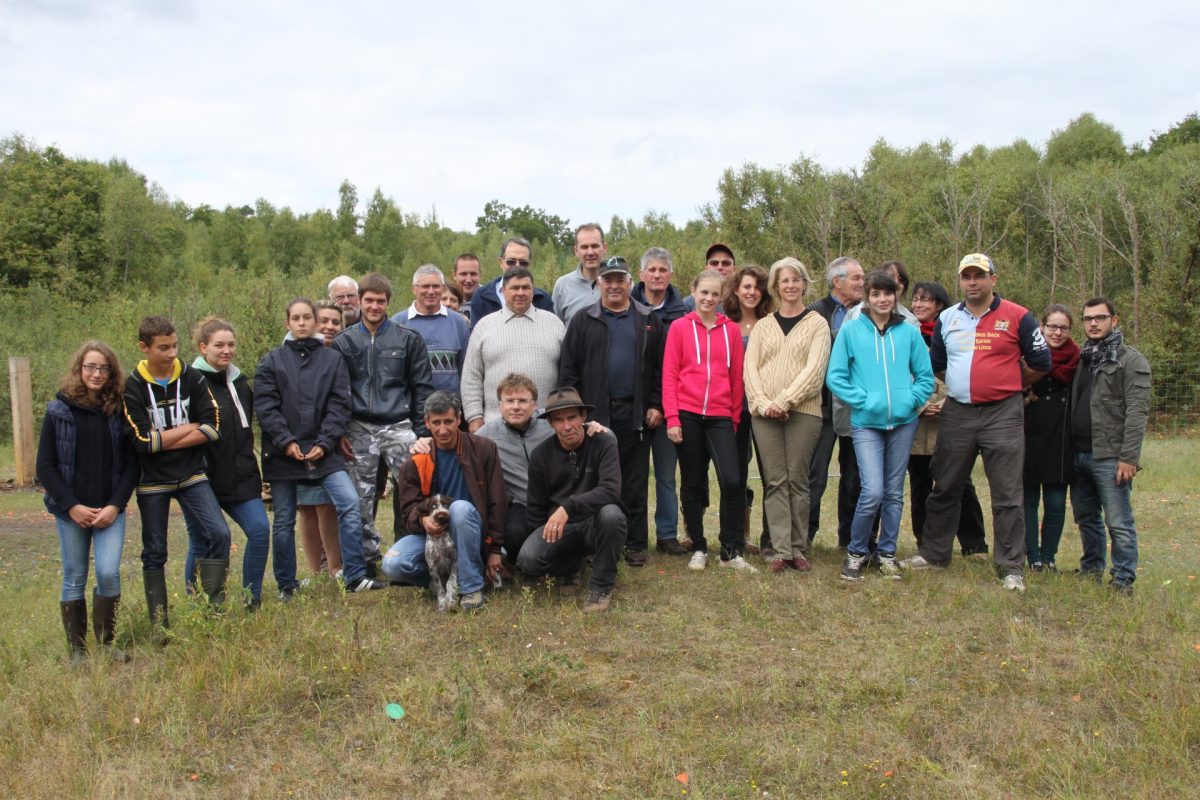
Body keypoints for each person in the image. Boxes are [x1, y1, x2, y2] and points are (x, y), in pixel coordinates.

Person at [900, 254, 1051, 592]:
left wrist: (1009, 383)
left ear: (992, 279)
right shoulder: (948, 318)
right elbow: (938, 364)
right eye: (966, 276)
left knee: (1007, 493)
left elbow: (1041, 361)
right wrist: (964, 384)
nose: (972, 282)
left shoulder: (1018, 315)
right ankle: (934, 554)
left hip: (1003, 413)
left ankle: (1011, 566)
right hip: (958, 411)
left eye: (979, 276)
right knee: (945, 484)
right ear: (960, 281)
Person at [254, 297, 387, 596]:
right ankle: (286, 584)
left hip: (324, 452)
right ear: (287, 322)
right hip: (283, 454)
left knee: (349, 503)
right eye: (296, 318)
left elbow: (339, 404)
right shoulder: (271, 361)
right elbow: (266, 408)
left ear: (314, 321)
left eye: (307, 318)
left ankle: (354, 576)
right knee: (284, 519)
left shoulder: (332, 360)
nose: (302, 323)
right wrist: (286, 441)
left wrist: (325, 442)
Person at [123, 316, 231, 633]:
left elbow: (213, 428)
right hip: (152, 481)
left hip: (192, 474)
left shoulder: (191, 377)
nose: (172, 353)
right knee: (155, 551)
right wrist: (188, 428)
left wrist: (164, 439)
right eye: (163, 348)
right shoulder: (132, 386)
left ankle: (210, 611)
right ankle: (160, 626)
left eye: (175, 346)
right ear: (144, 347)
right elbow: (142, 442)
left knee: (220, 534)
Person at [826, 271, 934, 580]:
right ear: (867, 297)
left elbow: (925, 376)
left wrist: (911, 400)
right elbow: (836, 376)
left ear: (895, 296)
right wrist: (863, 400)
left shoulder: (909, 332)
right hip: (866, 423)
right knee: (872, 490)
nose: (882, 299)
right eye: (876, 294)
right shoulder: (851, 330)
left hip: (903, 422)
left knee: (893, 492)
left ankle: (886, 553)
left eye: (888, 293)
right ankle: (856, 552)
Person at [558, 256, 665, 567]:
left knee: (634, 482)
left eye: (620, 279)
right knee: (594, 482)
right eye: (608, 280)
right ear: (598, 283)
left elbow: (660, 368)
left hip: (635, 414)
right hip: (595, 416)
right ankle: (595, 542)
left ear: (631, 283)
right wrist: (575, 415)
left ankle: (635, 543)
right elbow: (568, 371)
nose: (614, 285)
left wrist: (655, 404)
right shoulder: (583, 320)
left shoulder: (648, 319)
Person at [37, 341, 138, 665]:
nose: (96, 373)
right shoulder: (59, 410)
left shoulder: (120, 409)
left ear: (112, 372)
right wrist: (70, 506)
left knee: (108, 573)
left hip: (110, 510)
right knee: (74, 575)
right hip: (71, 512)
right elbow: (45, 466)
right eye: (90, 367)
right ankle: (78, 651)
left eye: (103, 368)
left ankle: (107, 645)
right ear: (79, 369)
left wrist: (115, 505)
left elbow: (132, 465)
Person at [331, 273, 435, 575]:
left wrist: (422, 433)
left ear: (388, 302)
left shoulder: (408, 339)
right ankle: (365, 560)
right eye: (369, 301)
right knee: (360, 497)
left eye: (380, 301)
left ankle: (412, 551)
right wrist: (339, 431)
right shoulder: (344, 341)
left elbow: (422, 388)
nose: (374, 306)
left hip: (398, 425)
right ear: (359, 301)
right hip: (358, 427)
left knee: (415, 490)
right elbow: (336, 391)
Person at [663, 270, 754, 572]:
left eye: (715, 294)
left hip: (720, 415)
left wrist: (734, 418)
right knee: (692, 481)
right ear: (693, 291)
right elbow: (670, 374)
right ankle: (699, 546)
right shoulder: (679, 327)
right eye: (704, 292)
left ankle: (730, 550)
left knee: (732, 480)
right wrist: (672, 418)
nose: (709, 298)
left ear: (722, 296)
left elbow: (736, 377)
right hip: (687, 413)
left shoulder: (731, 331)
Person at [744, 258, 831, 573]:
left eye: (796, 279)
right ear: (775, 286)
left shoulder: (817, 324)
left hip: (803, 412)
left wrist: (784, 401)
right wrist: (763, 403)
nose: (790, 285)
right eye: (784, 280)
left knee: (797, 479)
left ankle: (798, 548)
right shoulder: (763, 325)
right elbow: (750, 368)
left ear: (804, 284)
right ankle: (780, 550)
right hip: (764, 414)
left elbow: (815, 370)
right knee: (775, 480)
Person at [385, 391, 507, 610]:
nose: (443, 429)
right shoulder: (416, 461)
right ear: (427, 423)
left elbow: (497, 501)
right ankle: (446, 582)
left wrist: (496, 549)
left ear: (459, 419)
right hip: (433, 537)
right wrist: (423, 521)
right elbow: (408, 511)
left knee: (459, 509)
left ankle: (472, 588)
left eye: (448, 421)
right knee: (393, 564)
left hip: (472, 532)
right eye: (436, 423)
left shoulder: (484, 449)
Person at [473, 373, 610, 567]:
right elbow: (459, 443)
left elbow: (576, 425)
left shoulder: (551, 420)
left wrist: (594, 427)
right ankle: (544, 561)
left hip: (562, 499)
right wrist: (429, 441)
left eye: (523, 400)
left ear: (535, 405)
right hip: (525, 504)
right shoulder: (486, 435)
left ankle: (579, 554)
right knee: (513, 533)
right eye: (509, 401)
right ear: (500, 405)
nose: (515, 406)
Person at [183, 317, 271, 608]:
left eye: (231, 344)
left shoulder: (240, 382)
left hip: (241, 475)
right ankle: (202, 605)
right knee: (205, 539)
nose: (226, 350)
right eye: (219, 345)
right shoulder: (190, 382)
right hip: (201, 478)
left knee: (259, 530)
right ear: (203, 347)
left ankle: (252, 599)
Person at [516, 388, 626, 613]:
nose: (566, 426)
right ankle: (571, 566)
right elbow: (536, 509)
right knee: (528, 559)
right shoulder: (540, 456)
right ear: (550, 423)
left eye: (572, 417)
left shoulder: (603, 443)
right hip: (562, 529)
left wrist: (568, 506)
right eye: (559, 420)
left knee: (612, 515)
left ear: (583, 416)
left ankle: (601, 585)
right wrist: (547, 541)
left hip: (595, 523)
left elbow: (611, 490)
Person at [1069, 297, 1151, 593]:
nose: (1093, 323)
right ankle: (1091, 568)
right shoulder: (1082, 359)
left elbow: (1137, 413)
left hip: (1110, 457)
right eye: (1088, 318)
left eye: (1100, 318)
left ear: (1114, 321)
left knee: (1118, 521)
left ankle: (1123, 578)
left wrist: (1129, 458)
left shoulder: (1130, 360)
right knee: (1086, 518)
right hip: (1078, 454)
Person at [907, 283, 989, 557]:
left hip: (951, 418)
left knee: (959, 483)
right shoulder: (906, 332)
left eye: (925, 300)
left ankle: (974, 544)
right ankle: (925, 543)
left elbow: (967, 370)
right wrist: (920, 406)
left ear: (939, 305)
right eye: (915, 300)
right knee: (919, 485)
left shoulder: (956, 332)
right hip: (916, 421)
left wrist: (947, 403)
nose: (918, 305)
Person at [630, 246, 690, 555]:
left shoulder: (683, 312)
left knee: (666, 476)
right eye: (651, 269)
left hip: (671, 407)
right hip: (633, 406)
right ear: (641, 274)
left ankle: (667, 535)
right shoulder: (626, 307)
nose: (657, 275)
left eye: (662, 270)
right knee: (634, 477)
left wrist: (663, 406)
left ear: (670, 275)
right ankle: (632, 537)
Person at [807, 256, 866, 548]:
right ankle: (804, 537)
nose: (862, 283)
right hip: (821, 407)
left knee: (854, 475)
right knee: (815, 475)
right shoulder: (814, 313)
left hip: (856, 406)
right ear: (836, 281)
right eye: (856, 278)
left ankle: (850, 539)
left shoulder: (867, 312)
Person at [462, 264, 565, 430]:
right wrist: (474, 417)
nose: (520, 293)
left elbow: (567, 373)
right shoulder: (484, 326)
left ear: (533, 290)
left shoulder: (554, 323)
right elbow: (471, 377)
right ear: (503, 291)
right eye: (514, 288)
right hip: (495, 425)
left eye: (526, 287)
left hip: (546, 425)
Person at [1023, 304, 1080, 572]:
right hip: (1028, 436)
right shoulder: (1027, 356)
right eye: (1052, 327)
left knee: (1056, 504)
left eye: (1063, 328)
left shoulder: (1078, 359)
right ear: (1042, 327)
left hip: (1061, 438)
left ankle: (1048, 557)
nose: (1057, 333)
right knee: (1028, 502)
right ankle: (1032, 557)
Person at [723, 265, 774, 555]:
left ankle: (771, 540)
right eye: (746, 287)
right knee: (736, 477)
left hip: (766, 409)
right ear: (736, 290)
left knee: (771, 476)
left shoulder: (771, 324)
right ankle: (737, 537)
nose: (752, 292)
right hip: (735, 410)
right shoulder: (725, 324)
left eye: (757, 287)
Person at [295, 301, 345, 578]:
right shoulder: (292, 355)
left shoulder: (341, 353)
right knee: (308, 505)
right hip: (302, 440)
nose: (329, 327)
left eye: (335, 322)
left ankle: (336, 565)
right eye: (323, 320)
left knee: (330, 505)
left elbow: (341, 401)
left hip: (336, 437)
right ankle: (316, 571)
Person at [392, 264, 472, 395]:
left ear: (443, 288)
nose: (431, 291)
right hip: (410, 403)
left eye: (435, 286)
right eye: (425, 286)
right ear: (414, 289)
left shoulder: (458, 323)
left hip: (450, 404)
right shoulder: (398, 323)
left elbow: (467, 370)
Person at [469, 237, 555, 324]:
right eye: (511, 262)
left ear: (530, 264)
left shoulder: (543, 298)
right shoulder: (481, 296)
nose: (517, 266)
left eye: (523, 263)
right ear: (501, 263)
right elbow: (479, 331)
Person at [552, 223, 607, 323]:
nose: (590, 252)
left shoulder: (621, 284)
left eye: (595, 246)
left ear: (605, 248)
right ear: (576, 250)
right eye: (584, 247)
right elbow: (555, 327)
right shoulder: (563, 286)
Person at [684, 243, 739, 310]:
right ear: (706, 269)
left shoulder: (743, 301)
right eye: (714, 263)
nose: (720, 267)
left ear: (734, 270)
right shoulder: (688, 304)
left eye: (726, 263)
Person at [451, 253, 482, 320]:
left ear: (480, 275)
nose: (468, 280)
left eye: (473, 274)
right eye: (463, 274)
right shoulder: (444, 300)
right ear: (454, 275)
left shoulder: (491, 299)